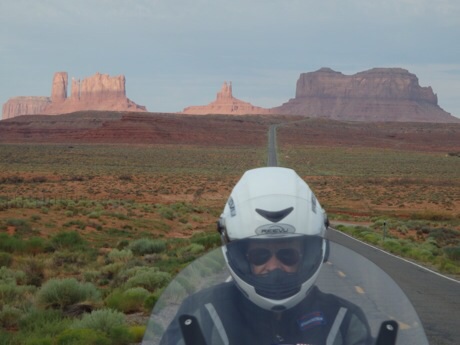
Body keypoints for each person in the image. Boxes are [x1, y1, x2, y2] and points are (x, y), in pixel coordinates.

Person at [159, 167, 372, 345]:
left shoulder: (343, 320)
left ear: (309, 255)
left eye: (287, 255)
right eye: (260, 255)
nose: (273, 266)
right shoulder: (201, 314)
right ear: (241, 257)